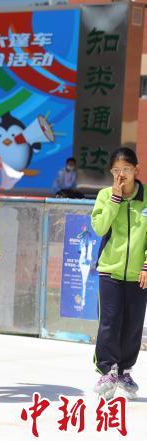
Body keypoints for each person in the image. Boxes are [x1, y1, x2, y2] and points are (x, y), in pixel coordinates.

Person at [90, 147, 147, 400]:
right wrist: (114, 199)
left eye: (126, 170)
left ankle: (124, 370)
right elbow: (100, 227)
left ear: (137, 169)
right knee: (110, 323)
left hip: (138, 274)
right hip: (109, 271)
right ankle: (107, 370)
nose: (121, 175)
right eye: (116, 171)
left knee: (133, 326)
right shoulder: (104, 195)